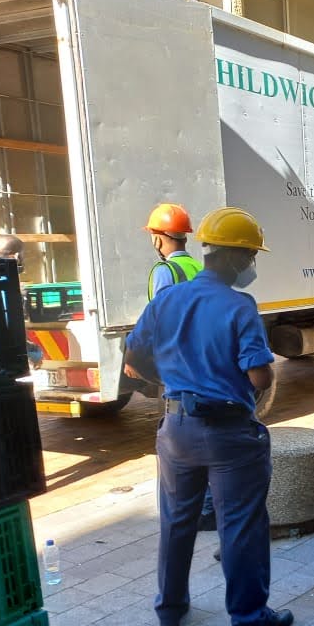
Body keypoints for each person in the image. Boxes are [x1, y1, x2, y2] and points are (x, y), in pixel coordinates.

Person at [124, 206, 293, 626]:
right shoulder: (239, 306)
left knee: (177, 521)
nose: (252, 265)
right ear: (236, 258)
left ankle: (170, 609)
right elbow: (260, 375)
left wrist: (170, 383)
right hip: (229, 434)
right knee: (240, 523)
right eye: (251, 257)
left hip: (175, 430)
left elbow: (134, 359)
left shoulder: (166, 300)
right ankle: (249, 617)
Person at [142, 203, 217, 533]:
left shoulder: (164, 273)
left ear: (159, 240)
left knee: (181, 439)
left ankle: (193, 512)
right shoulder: (200, 270)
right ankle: (210, 506)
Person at [0, 234, 44, 369]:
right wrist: (32, 353)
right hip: (4, 358)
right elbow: (13, 329)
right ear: (16, 256)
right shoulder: (12, 289)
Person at [145, 203, 202, 300]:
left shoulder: (163, 271)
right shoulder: (200, 267)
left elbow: (160, 313)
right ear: (185, 239)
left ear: (157, 240)